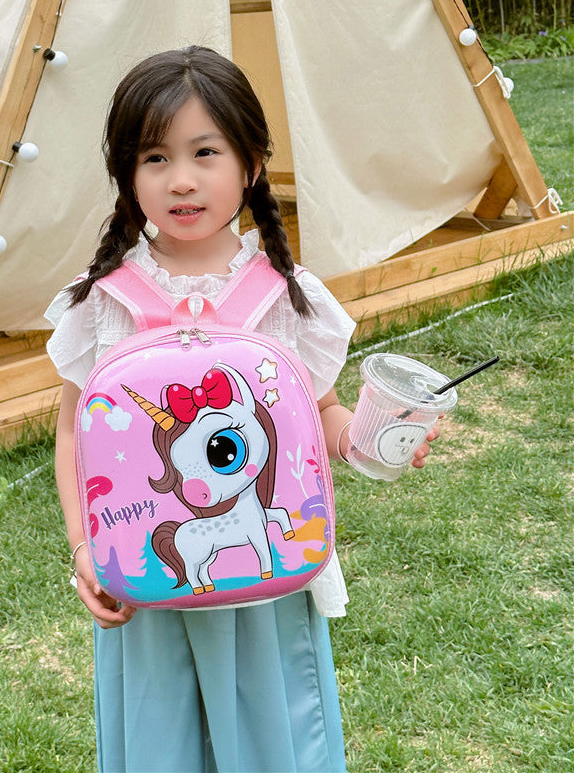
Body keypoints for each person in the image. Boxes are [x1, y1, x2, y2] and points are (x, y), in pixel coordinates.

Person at [45, 46, 440, 773]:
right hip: (144, 587)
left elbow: (318, 415)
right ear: (126, 173)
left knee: (273, 745)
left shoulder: (284, 295)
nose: (182, 180)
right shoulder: (104, 298)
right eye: (154, 157)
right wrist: (85, 550)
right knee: (155, 745)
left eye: (206, 152)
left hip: (268, 586)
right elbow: (75, 429)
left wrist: (374, 437)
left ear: (252, 163)